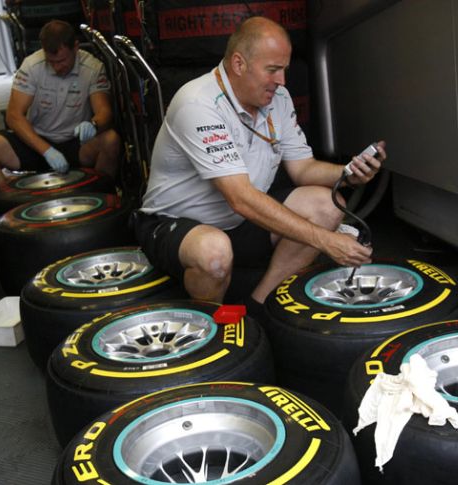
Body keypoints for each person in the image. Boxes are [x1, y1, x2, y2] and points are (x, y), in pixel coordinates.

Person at [133, 16, 387, 313]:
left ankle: (260, 307)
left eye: (285, 70)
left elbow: (303, 169)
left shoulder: (278, 98)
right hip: (175, 225)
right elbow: (240, 198)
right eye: (273, 70)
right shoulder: (198, 103)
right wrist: (327, 241)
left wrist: (348, 174)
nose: (282, 81)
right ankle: (210, 330)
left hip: (240, 223)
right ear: (239, 64)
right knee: (213, 252)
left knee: (326, 205)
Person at [0, 19, 121, 193]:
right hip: (37, 141)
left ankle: (99, 202)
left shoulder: (93, 68)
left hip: (76, 142)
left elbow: (104, 111)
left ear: (76, 47)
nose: (57, 67)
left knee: (111, 141)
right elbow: (14, 116)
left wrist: (94, 125)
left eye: (62, 60)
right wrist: (47, 151)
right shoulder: (31, 66)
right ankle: (10, 208)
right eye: (52, 61)